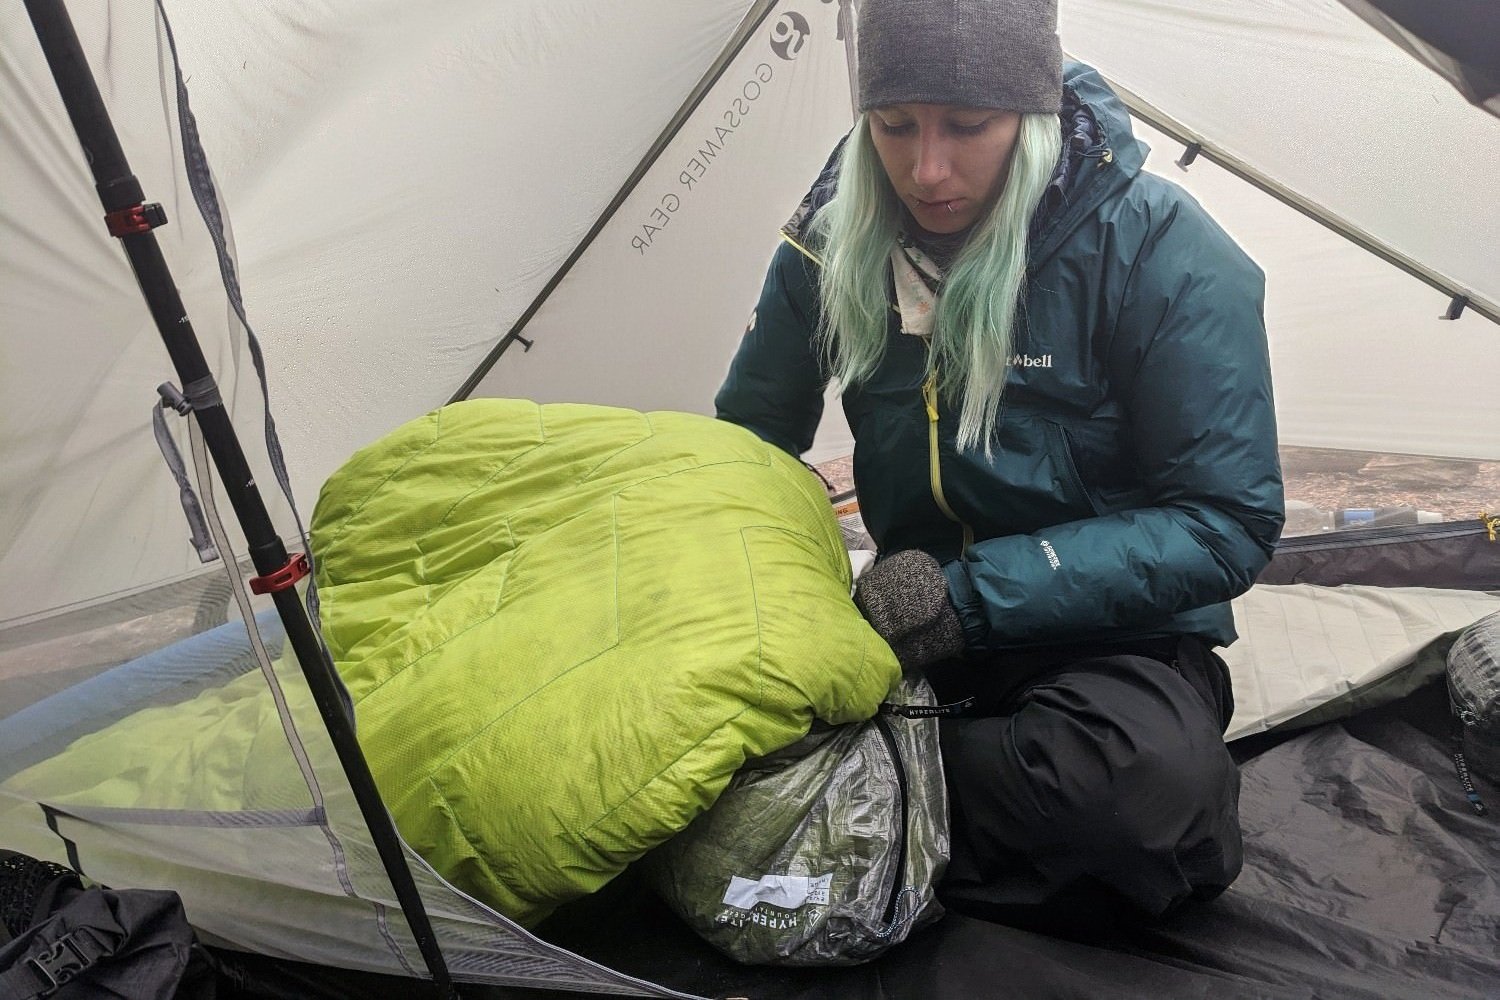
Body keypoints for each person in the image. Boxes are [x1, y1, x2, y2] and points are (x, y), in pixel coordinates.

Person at [715, 0, 1284, 931]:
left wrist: (967, 597)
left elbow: (1228, 523)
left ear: (1034, 112)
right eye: (894, 127)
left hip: (1113, 643)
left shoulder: (1158, 248)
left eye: (968, 127)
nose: (926, 168)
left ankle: (859, 800)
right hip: (902, 639)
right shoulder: (833, 234)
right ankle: (890, 798)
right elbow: (746, 442)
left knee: (1136, 798)